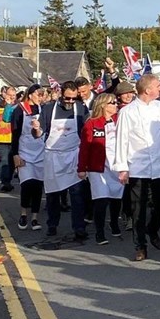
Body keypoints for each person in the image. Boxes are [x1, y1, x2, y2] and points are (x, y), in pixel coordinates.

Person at [110, 74, 160, 262]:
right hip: (137, 166)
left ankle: (153, 229)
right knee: (137, 209)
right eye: (158, 86)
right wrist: (122, 167)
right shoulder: (128, 112)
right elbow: (121, 140)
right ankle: (140, 245)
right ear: (148, 90)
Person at [40, 81, 89, 241]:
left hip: (73, 155)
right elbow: (39, 132)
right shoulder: (48, 109)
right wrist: (36, 129)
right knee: (53, 194)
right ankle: (52, 225)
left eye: (73, 98)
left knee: (77, 194)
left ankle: (79, 227)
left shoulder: (80, 109)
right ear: (61, 94)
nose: (70, 101)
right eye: (67, 98)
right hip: (53, 156)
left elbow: (86, 132)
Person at [80, 93, 123, 244]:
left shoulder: (120, 121)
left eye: (116, 102)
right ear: (103, 105)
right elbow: (85, 147)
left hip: (116, 166)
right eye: (112, 102)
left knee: (116, 198)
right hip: (97, 167)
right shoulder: (92, 123)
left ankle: (114, 223)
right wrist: (81, 167)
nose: (115, 105)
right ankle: (99, 232)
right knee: (101, 200)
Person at [11, 85, 47, 230]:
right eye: (39, 94)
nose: (41, 96)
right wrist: (15, 154)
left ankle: (35, 218)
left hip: (40, 151)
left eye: (43, 94)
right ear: (31, 94)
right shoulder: (20, 109)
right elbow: (14, 134)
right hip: (24, 151)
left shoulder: (43, 110)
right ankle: (24, 214)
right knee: (26, 184)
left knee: (38, 186)